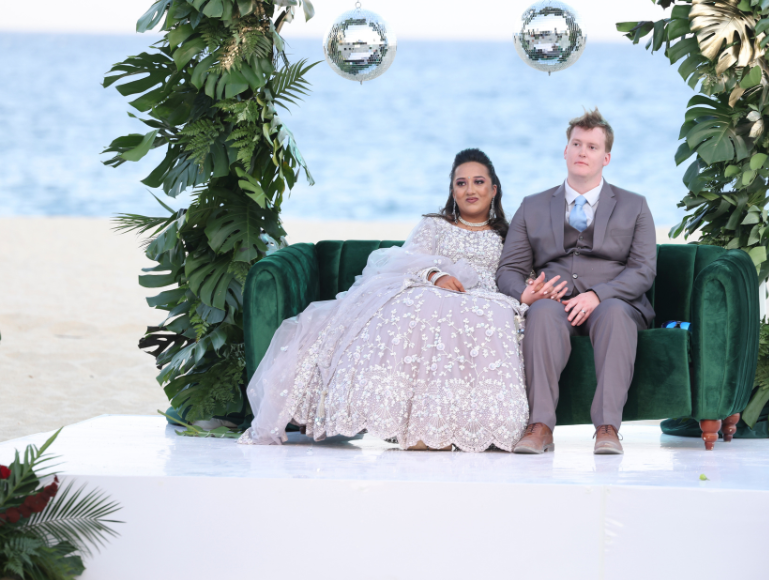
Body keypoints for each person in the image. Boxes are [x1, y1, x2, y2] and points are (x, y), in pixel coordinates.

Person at [239, 149, 568, 452]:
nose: (470, 189)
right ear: (452, 191)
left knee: (487, 314)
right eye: (461, 183)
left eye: (479, 182)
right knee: (419, 305)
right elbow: (402, 262)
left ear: (494, 189)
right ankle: (419, 429)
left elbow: (515, 274)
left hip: (485, 299)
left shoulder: (508, 235)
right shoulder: (435, 225)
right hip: (433, 290)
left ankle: (468, 426)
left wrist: (536, 288)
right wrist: (435, 276)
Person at [496, 109, 657, 455]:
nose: (583, 152)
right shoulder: (532, 206)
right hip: (555, 304)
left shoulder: (636, 206)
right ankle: (540, 426)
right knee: (539, 314)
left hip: (615, 304)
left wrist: (599, 295)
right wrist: (525, 293)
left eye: (593, 147)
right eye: (577, 144)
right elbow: (508, 269)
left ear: (606, 157)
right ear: (565, 151)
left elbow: (643, 270)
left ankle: (607, 427)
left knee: (613, 314)